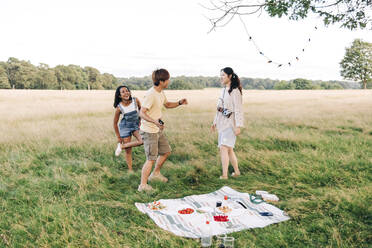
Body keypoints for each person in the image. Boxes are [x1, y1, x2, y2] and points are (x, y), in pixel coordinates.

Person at [138, 68, 188, 192]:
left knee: (166, 152)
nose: (169, 81)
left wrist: (179, 102)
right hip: (149, 131)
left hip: (157, 129)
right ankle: (142, 185)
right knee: (150, 159)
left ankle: (155, 174)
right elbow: (142, 113)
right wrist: (154, 121)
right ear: (161, 81)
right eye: (167, 79)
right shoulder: (151, 94)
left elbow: (167, 105)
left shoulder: (160, 92)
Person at [211, 67, 244, 179]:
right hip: (222, 123)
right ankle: (237, 172)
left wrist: (238, 126)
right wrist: (214, 122)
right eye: (220, 75)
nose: (221, 77)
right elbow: (219, 108)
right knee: (229, 149)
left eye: (223, 75)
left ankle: (224, 175)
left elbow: (238, 109)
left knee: (223, 148)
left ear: (229, 76)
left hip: (231, 124)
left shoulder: (235, 91)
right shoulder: (223, 90)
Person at [113, 85, 143, 173]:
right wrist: (119, 137)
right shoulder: (119, 108)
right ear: (119, 96)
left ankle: (121, 146)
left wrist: (140, 121)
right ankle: (130, 170)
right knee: (128, 151)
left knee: (142, 141)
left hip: (135, 125)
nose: (126, 93)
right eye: (123, 92)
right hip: (125, 127)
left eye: (127, 91)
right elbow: (115, 123)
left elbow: (141, 111)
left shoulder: (135, 100)